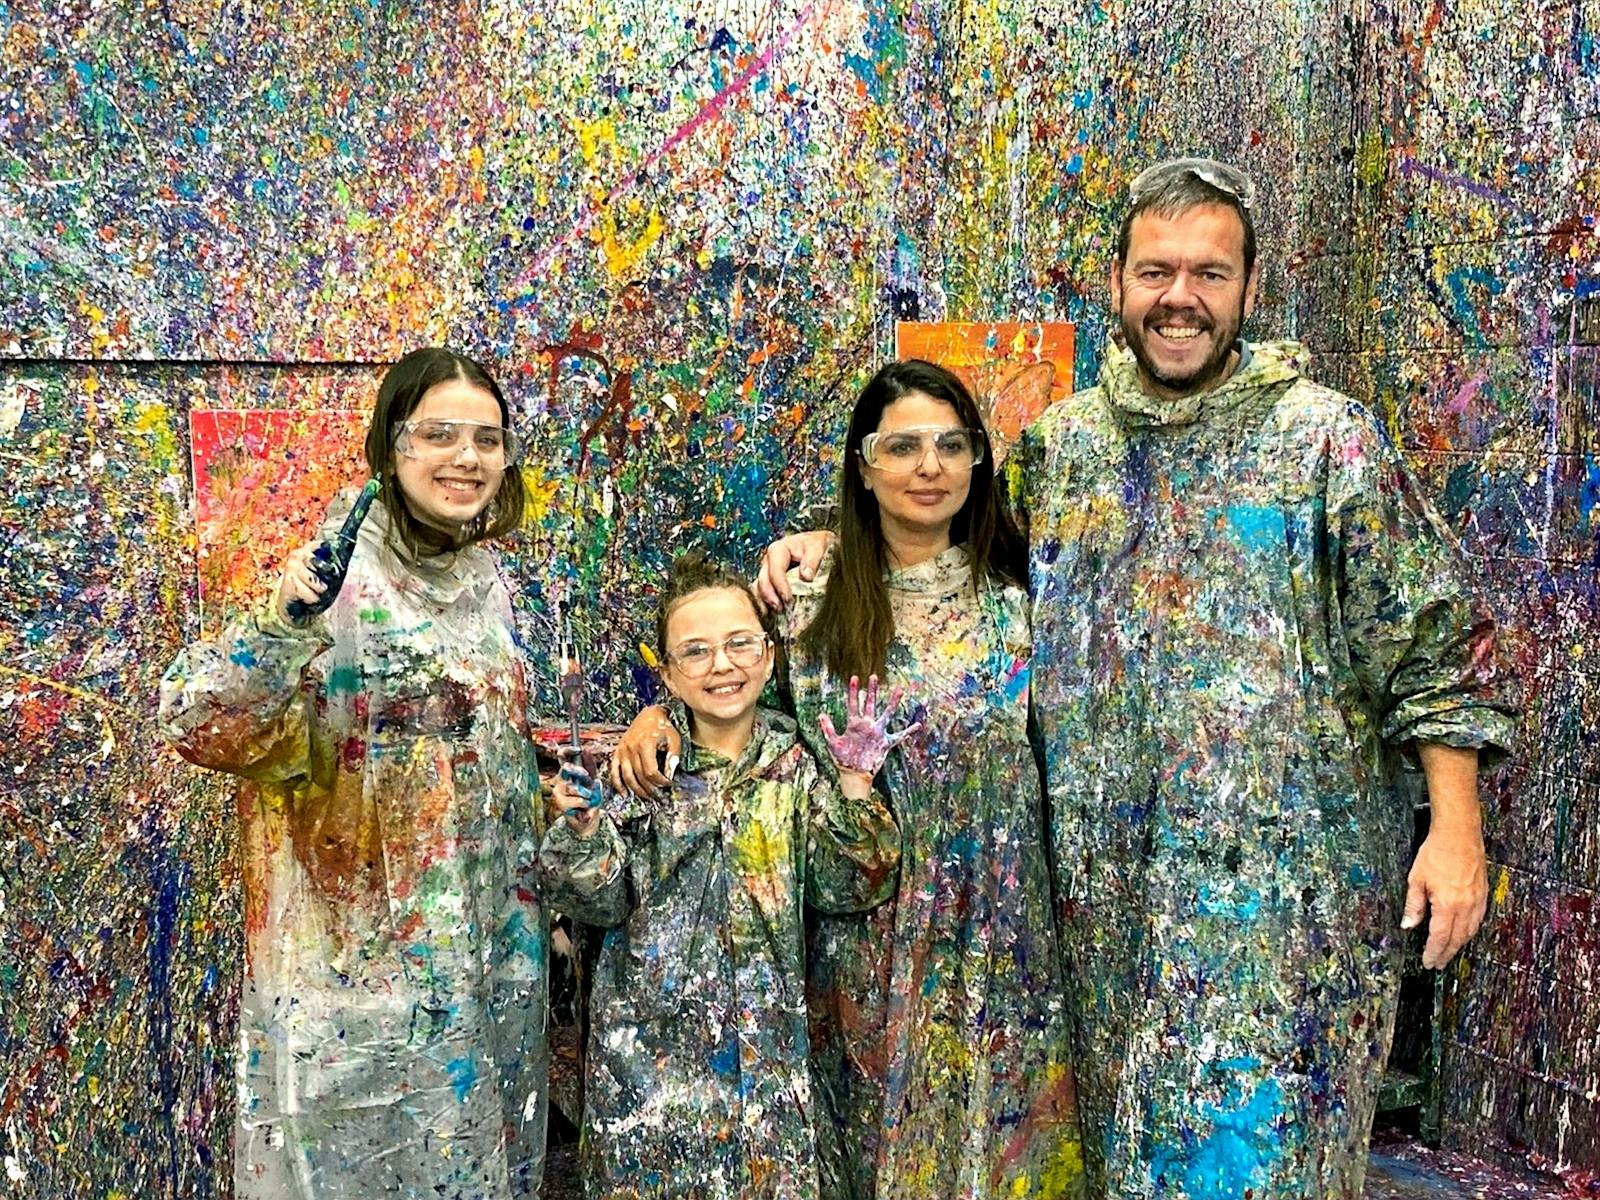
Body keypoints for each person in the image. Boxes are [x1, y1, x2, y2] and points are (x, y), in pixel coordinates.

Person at [757, 159, 1521, 1200]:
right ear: (1114, 283)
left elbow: (1432, 647)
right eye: (1156, 270)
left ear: (1249, 289)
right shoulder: (1064, 451)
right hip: (1100, 926)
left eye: (1209, 274)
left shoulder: (1322, 440)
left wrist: (1456, 833)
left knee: (1262, 1169)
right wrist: (825, 539)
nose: (1180, 297)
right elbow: (952, 556)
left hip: (1281, 919)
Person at [614, 362, 1087, 1199]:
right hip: (858, 933)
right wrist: (659, 718)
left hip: (1002, 933)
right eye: (901, 446)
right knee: (867, 1153)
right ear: (864, 465)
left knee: (999, 1148)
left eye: (951, 445)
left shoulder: (1026, 598)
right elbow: (731, 698)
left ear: (979, 460)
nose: (928, 467)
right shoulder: (806, 604)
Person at [159, 348, 548, 1199]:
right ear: (389, 445)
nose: (467, 458)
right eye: (439, 434)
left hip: (487, 977)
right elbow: (198, 723)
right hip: (358, 986)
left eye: (488, 438)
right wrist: (280, 623)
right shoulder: (336, 575)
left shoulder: (485, 579)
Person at [536, 551, 902, 1199]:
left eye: (739, 644)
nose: (723, 665)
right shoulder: (643, 769)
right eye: (696, 652)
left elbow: (850, 885)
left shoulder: (795, 763)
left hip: (766, 1072)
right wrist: (583, 830)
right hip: (648, 1074)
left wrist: (853, 785)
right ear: (669, 676)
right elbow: (598, 900)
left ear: (768, 655)